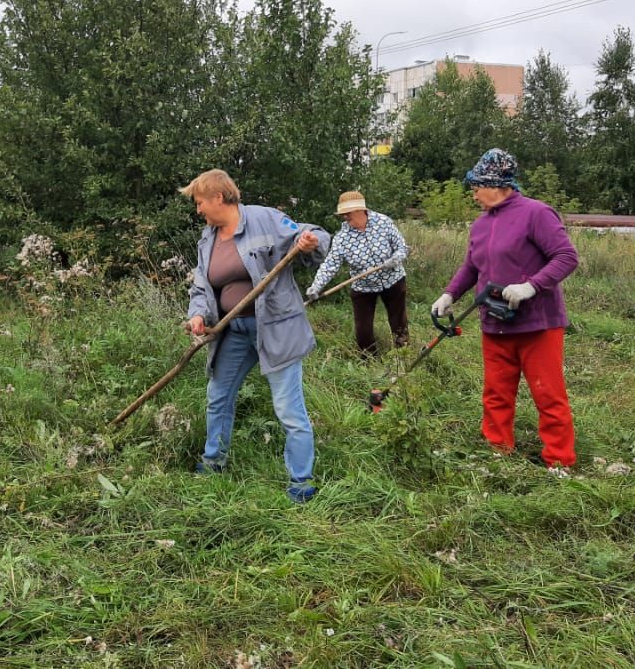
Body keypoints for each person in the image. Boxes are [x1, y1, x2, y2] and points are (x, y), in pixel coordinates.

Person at [182, 169, 330, 503]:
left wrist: (310, 241)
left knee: (288, 408)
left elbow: (313, 233)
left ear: (218, 197)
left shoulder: (266, 219)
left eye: (200, 202)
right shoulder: (208, 240)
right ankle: (213, 461)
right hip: (232, 332)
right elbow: (201, 288)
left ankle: (301, 482)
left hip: (275, 329)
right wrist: (197, 314)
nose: (199, 210)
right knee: (218, 396)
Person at [431, 148, 579, 469]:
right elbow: (472, 267)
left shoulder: (537, 214)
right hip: (495, 322)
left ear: (497, 185)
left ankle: (559, 461)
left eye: (476, 187)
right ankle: (498, 451)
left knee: (548, 395)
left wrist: (531, 286)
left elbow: (566, 257)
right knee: (496, 393)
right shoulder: (481, 225)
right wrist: (449, 295)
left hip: (538, 324)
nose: (473, 195)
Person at [306, 191, 409, 357]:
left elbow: (402, 247)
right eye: (343, 214)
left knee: (399, 323)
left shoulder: (383, 222)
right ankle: (369, 362)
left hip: (393, 281)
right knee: (363, 331)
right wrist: (316, 286)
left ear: (360, 210)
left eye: (348, 213)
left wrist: (395, 258)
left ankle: (404, 355)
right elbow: (330, 264)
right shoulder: (342, 237)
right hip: (363, 287)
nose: (345, 217)